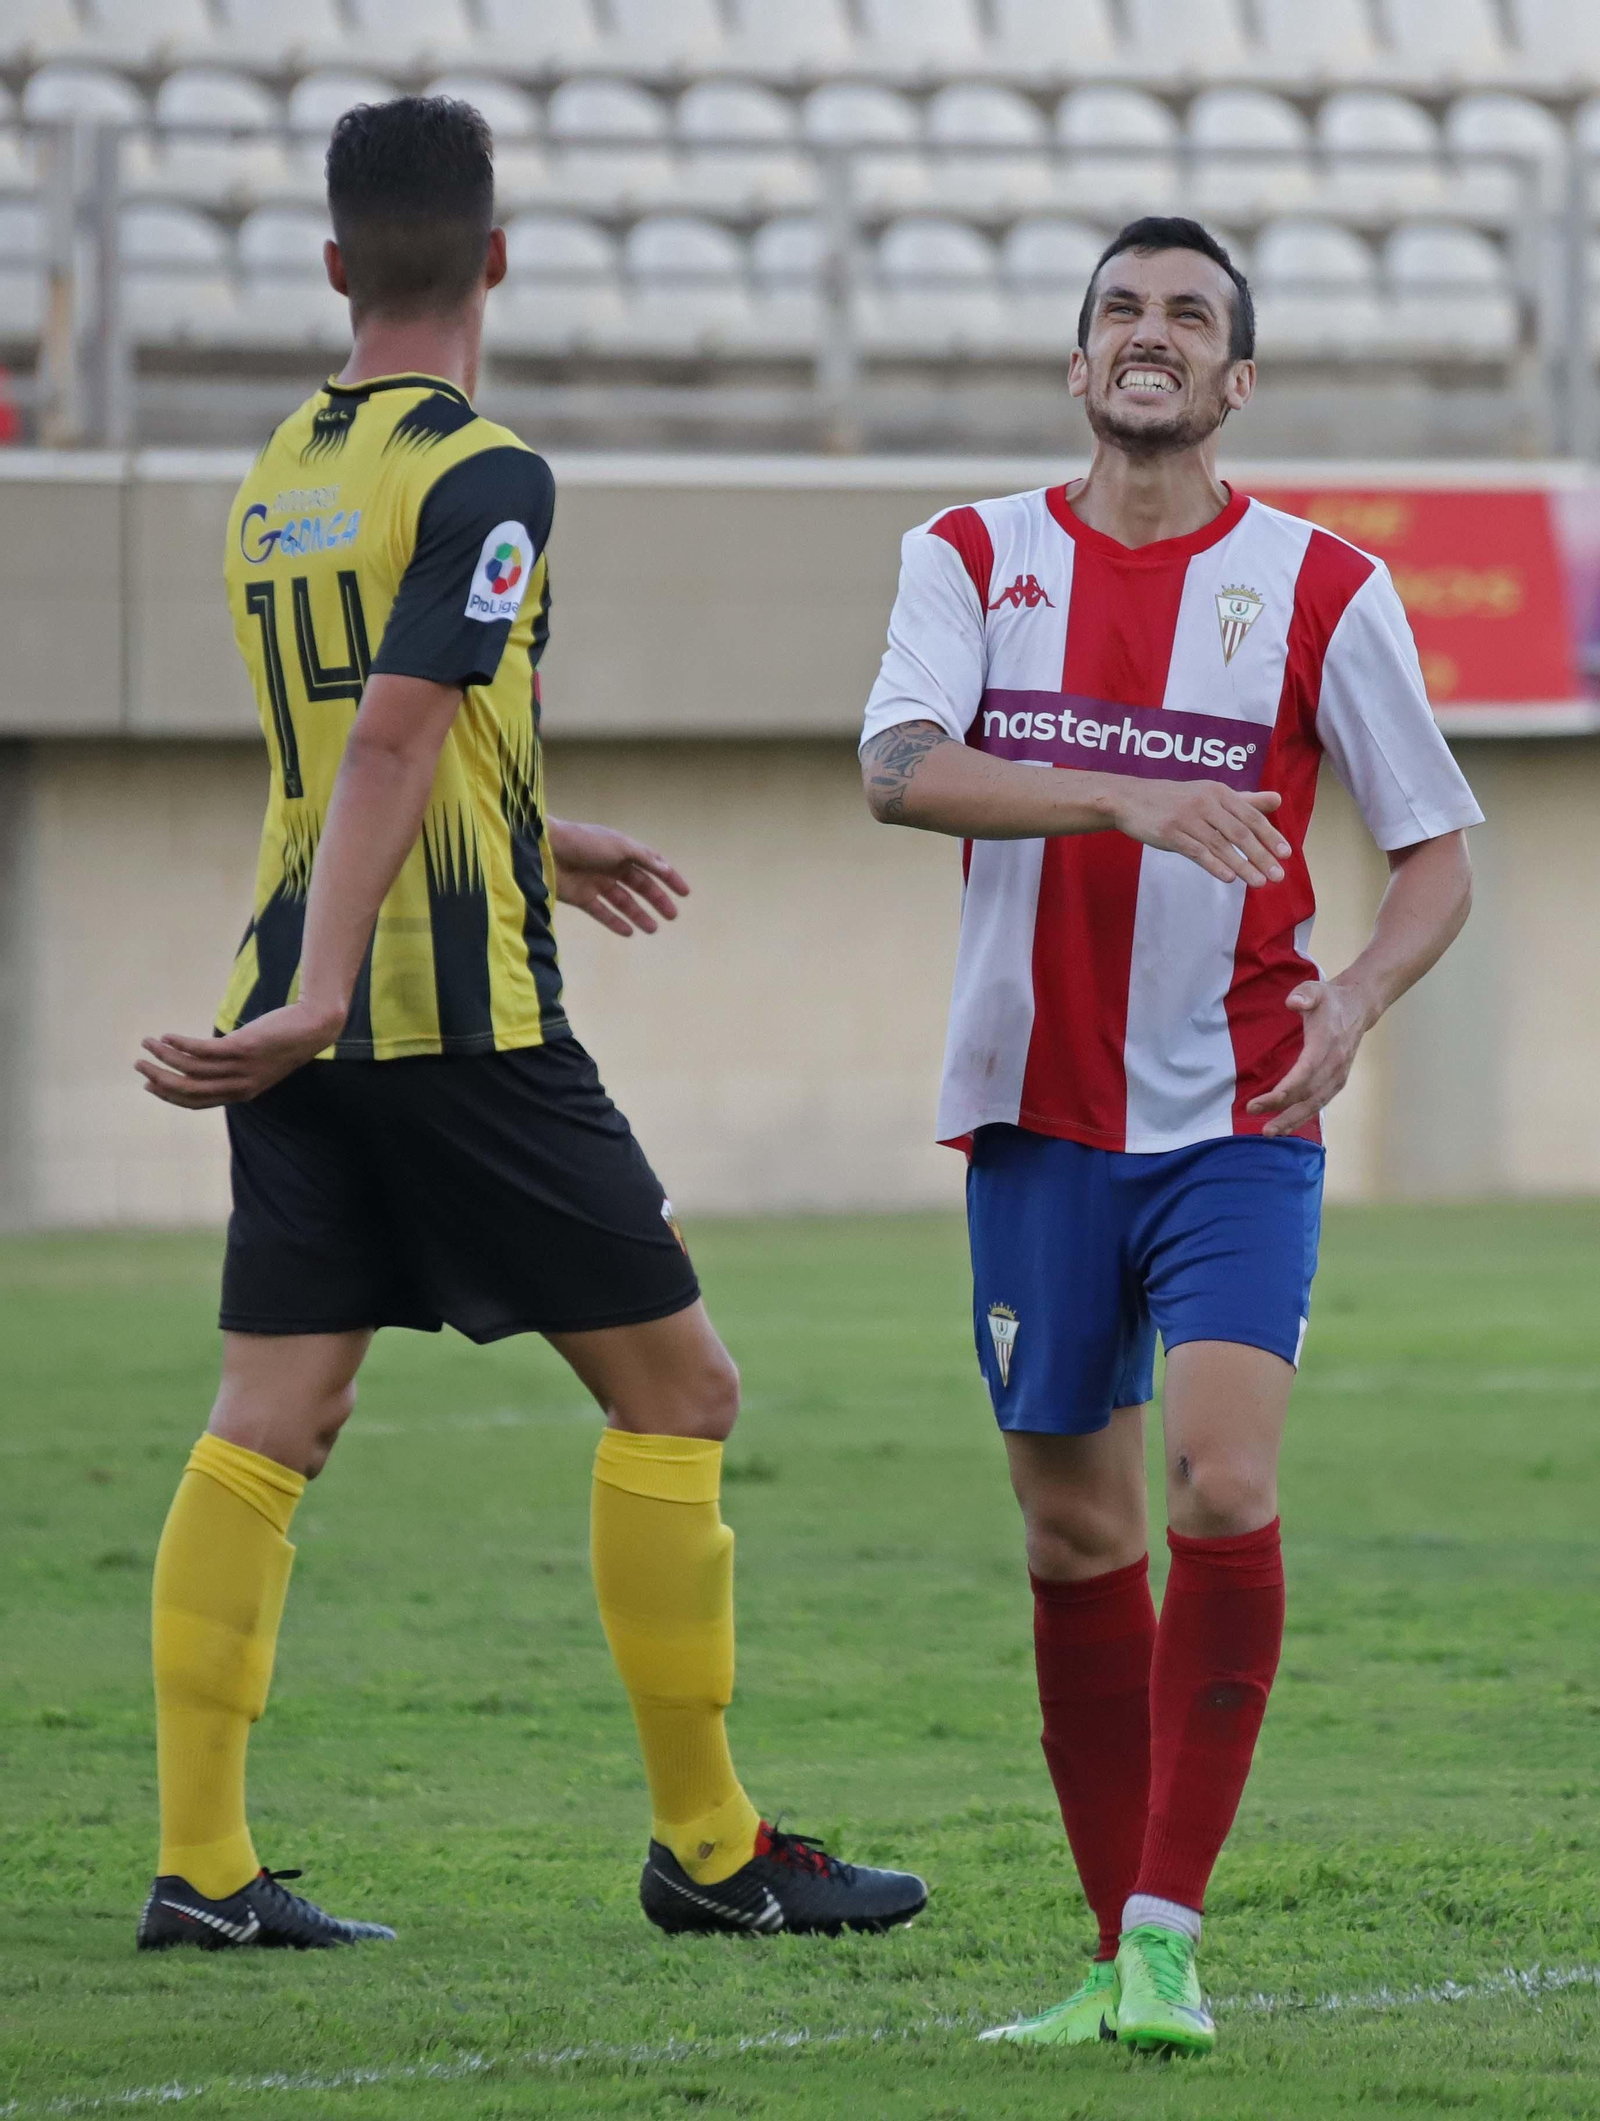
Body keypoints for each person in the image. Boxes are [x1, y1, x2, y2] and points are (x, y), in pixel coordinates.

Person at [133, 94, 925, 1953]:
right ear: (497, 258)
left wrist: (530, 838)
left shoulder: (277, 471)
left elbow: (360, 740)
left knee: (270, 1420)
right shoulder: (490, 472)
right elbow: (395, 732)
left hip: (299, 1010)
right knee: (683, 1393)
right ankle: (710, 1847)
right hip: (447, 1024)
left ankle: (206, 1866)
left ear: (335, 266)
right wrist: (348, 982)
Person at [859, 216, 1480, 2055]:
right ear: (1077, 366)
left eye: (1188, 316)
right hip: (1034, 1117)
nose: (1151, 334)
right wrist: (1123, 790)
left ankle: (1167, 1935)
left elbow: (1438, 849)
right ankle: (1106, 1955)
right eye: (1120, 310)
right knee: (1072, 1539)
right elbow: (897, 768)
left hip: (1237, 1118)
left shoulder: (1321, 588)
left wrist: (1355, 998)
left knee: (1220, 1484)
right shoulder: (967, 554)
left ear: (1236, 383)